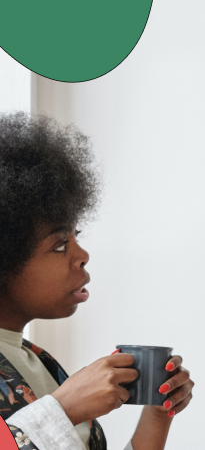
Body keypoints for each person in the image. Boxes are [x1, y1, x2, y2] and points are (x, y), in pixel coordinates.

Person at [0, 112, 194, 450]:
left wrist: (158, 413)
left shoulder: (41, 362)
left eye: (76, 236)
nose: (82, 254)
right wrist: (63, 409)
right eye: (60, 245)